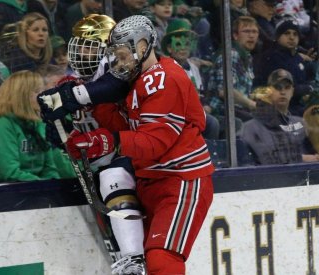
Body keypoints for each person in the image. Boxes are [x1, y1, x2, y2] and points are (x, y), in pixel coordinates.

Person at [38, 15, 215, 274]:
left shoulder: (163, 78)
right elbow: (121, 126)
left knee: (162, 260)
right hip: (149, 180)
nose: (118, 63)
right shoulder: (136, 81)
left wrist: (106, 142)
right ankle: (132, 259)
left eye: (122, 55)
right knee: (149, 261)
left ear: (142, 47)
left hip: (181, 180)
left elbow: (154, 141)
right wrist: (81, 112)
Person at [64, 14, 147, 274]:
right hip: (96, 167)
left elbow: (131, 131)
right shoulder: (70, 82)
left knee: (114, 177)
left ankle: (134, 260)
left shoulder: (125, 77)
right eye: (81, 44)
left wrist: (103, 140)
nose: (83, 51)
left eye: (90, 45)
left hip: (136, 160)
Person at [0, 70, 66, 182]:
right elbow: (10, 172)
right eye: (37, 91)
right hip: (7, 191)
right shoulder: (2, 125)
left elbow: (50, 168)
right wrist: (43, 187)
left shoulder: (39, 123)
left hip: (37, 189)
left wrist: (52, 186)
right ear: (21, 96)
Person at [240, 69, 319, 164]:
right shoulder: (252, 127)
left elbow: (315, 155)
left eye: (287, 87)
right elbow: (265, 159)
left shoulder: (300, 123)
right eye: (278, 87)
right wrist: (301, 158)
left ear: (292, 91)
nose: (283, 92)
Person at [161, 18, 220, 139]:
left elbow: (202, 92)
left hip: (197, 111)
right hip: (175, 116)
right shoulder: (164, 68)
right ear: (169, 48)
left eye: (187, 44)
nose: (183, 48)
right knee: (212, 123)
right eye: (178, 44)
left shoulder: (194, 67)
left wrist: (206, 105)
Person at [253, 16, 317, 116]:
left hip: (295, 106)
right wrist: (307, 88)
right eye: (287, 33)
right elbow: (280, 89)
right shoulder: (271, 57)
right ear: (278, 36)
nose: (291, 37)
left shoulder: (298, 57)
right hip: (273, 107)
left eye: (295, 34)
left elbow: (309, 80)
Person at [207, 16, 259, 134]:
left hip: (238, 110)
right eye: (246, 31)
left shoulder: (247, 57)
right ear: (235, 36)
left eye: (254, 32)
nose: (251, 35)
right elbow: (225, 90)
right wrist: (251, 104)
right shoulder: (231, 55)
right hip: (221, 110)